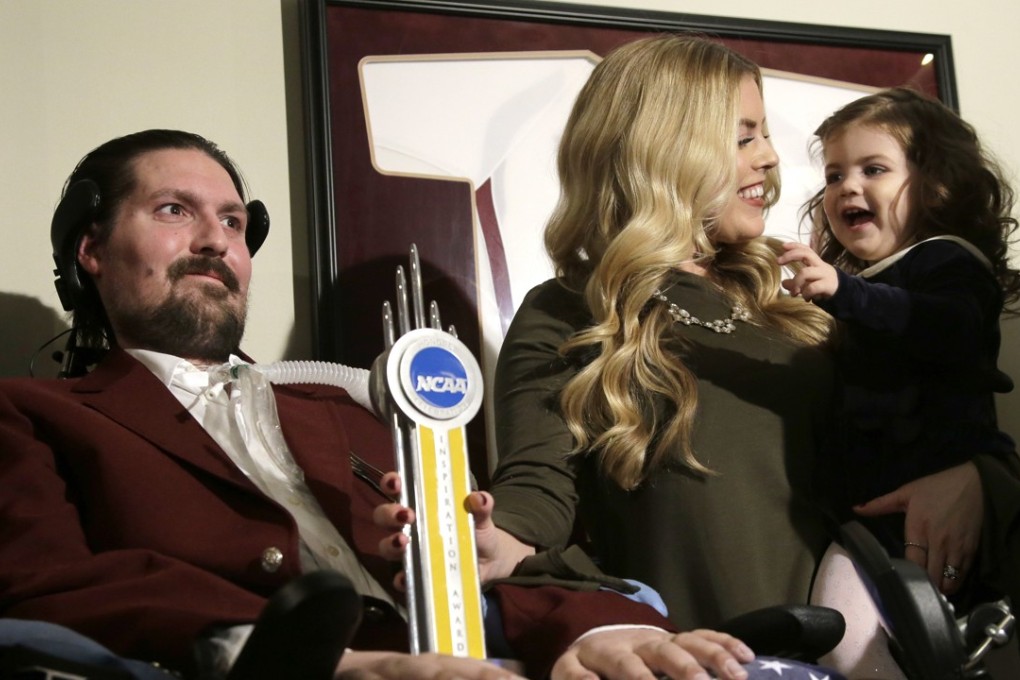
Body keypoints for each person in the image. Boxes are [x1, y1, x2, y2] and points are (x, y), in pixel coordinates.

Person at [0, 129, 763, 680]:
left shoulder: (342, 409)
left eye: (233, 222)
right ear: (90, 252)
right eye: (174, 211)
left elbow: (480, 571)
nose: (215, 242)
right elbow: (47, 586)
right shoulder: (34, 414)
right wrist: (314, 659)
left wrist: (600, 628)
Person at [423, 34, 1001, 677]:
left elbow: (935, 411)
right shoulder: (569, 309)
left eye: (764, 136)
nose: (772, 157)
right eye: (744, 137)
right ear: (666, 147)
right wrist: (487, 540)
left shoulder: (801, 300)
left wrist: (977, 477)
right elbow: (536, 492)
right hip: (705, 658)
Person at [778, 87, 1020, 607]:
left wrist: (845, 293)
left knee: (849, 625)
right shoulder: (860, 280)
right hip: (871, 513)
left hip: (928, 513)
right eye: (835, 175)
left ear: (936, 186)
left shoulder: (947, 260)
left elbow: (946, 327)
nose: (848, 187)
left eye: (874, 169)